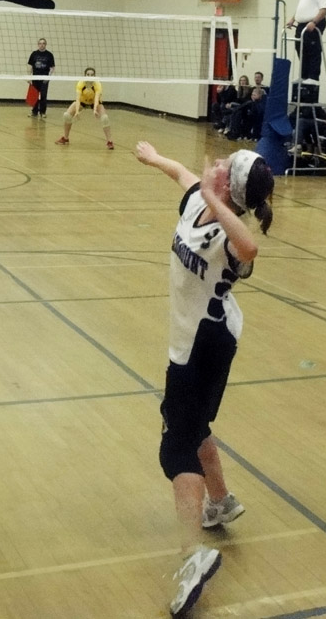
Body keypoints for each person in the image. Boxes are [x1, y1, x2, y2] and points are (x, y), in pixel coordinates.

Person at [135, 142, 274, 617]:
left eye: (221, 167)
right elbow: (180, 173)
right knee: (195, 426)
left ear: (227, 189)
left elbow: (251, 246)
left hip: (205, 345)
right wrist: (153, 159)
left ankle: (191, 556)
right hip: (196, 340)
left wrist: (216, 202)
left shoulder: (228, 237)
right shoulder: (198, 197)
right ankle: (220, 502)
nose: (211, 164)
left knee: (176, 447)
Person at [56, 68, 114, 149]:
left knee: (105, 118)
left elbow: (97, 98)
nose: (90, 76)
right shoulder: (80, 83)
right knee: (67, 115)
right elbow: (78, 98)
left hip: (94, 102)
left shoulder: (97, 84)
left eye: (92, 75)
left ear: (94, 76)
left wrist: (94, 110)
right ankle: (65, 138)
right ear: (85, 75)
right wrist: (76, 111)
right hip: (82, 101)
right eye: (88, 74)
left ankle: (109, 141)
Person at [27, 37, 55, 118]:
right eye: (40, 43)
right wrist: (29, 77)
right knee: (34, 95)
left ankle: (43, 112)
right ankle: (34, 112)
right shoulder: (34, 54)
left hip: (44, 78)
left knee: (43, 95)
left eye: (43, 43)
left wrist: (48, 77)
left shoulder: (49, 55)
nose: (42, 45)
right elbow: (30, 66)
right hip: (35, 77)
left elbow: (52, 67)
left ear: (45, 45)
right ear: (38, 44)